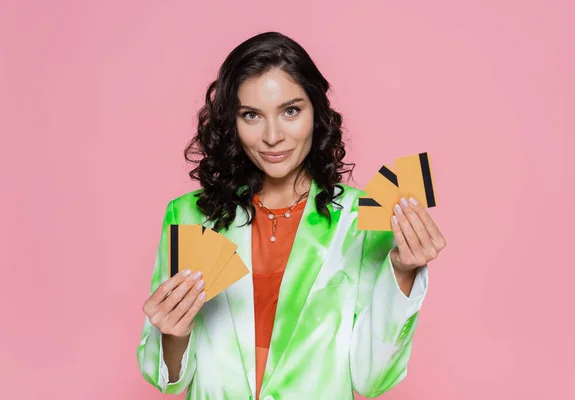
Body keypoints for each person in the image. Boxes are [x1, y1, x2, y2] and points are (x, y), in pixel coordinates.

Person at [137, 31, 446, 400]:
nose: (272, 136)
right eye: (251, 115)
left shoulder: (358, 218)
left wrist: (403, 270)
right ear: (230, 123)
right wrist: (174, 332)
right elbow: (171, 382)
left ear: (317, 113)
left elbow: (371, 380)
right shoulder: (188, 215)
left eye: (290, 111)